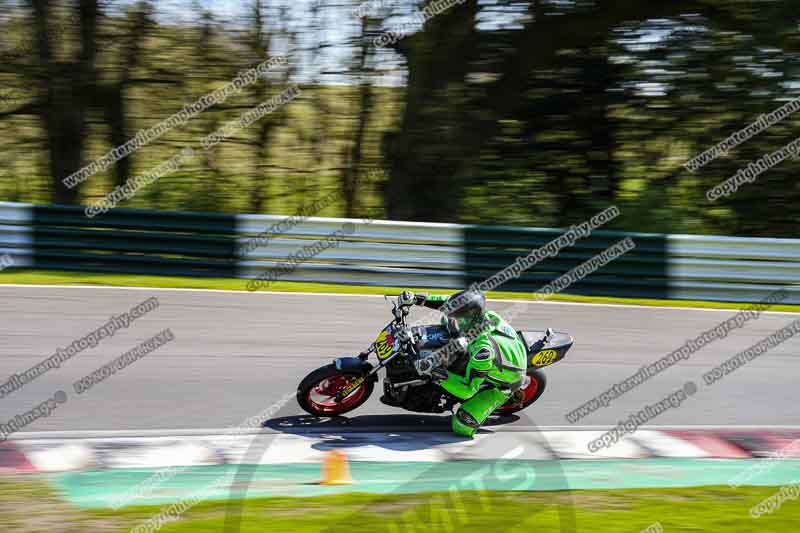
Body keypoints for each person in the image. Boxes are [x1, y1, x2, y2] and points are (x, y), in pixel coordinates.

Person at [396, 288, 529, 437]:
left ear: (469, 318)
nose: (452, 314)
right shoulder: (481, 315)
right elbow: (449, 304)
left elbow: (468, 390)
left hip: (506, 380)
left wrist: (434, 372)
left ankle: (494, 401)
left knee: (461, 425)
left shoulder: (482, 351)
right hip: (505, 349)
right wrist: (416, 299)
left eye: (458, 316)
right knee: (448, 323)